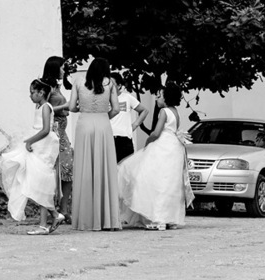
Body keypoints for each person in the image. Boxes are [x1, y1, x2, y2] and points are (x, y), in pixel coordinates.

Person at [117, 80, 194, 231]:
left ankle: (157, 217)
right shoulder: (175, 112)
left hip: (162, 146)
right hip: (174, 147)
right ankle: (170, 218)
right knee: (170, 182)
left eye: (159, 96)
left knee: (152, 179)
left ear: (166, 98)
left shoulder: (163, 112)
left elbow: (156, 132)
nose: (157, 99)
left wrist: (148, 141)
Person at [0, 79, 60, 235]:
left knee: (40, 180)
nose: (30, 96)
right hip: (39, 144)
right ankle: (55, 216)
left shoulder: (45, 107)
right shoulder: (39, 107)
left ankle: (45, 224)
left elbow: (45, 129)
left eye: (32, 92)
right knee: (35, 180)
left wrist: (30, 140)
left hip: (43, 145)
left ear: (41, 93)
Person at [68, 57, 122, 231]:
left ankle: (85, 219)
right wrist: (104, 116)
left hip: (84, 123)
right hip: (102, 123)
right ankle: (107, 219)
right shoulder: (110, 83)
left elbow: (71, 107)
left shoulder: (78, 81)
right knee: (104, 168)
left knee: (84, 169)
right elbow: (116, 109)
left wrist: (82, 109)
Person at [41, 56, 74, 223]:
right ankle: (52, 209)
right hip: (54, 132)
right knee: (53, 171)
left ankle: (64, 207)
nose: (64, 70)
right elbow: (44, 108)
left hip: (62, 131)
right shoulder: (47, 87)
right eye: (62, 67)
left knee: (68, 169)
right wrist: (64, 107)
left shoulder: (57, 87)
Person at [109, 72, 146, 163]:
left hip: (125, 139)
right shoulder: (104, 99)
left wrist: (134, 125)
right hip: (108, 138)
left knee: (125, 170)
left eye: (112, 84)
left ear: (119, 85)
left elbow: (144, 111)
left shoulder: (127, 97)